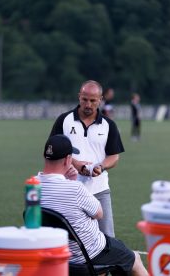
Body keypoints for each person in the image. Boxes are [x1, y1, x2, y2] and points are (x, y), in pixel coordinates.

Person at [36, 134, 149, 276]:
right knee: (135, 259)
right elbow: (99, 213)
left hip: (56, 253)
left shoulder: (33, 186)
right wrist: (73, 182)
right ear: (68, 159)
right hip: (88, 254)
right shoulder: (75, 189)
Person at [48, 80, 124, 238]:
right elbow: (50, 150)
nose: (88, 104)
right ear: (79, 97)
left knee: (108, 238)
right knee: (66, 238)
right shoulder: (64, 120)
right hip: (68, 190)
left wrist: (101, 167)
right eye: (84, 99)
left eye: (93, 100)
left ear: (100, 100)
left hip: (99, 190)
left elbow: (114, 156)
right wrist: (75, 164)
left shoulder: (109, 125)